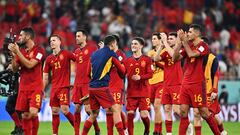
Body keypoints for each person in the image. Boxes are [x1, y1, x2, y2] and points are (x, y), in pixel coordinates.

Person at [172, 24, 221, 135]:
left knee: (204, 113)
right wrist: (179, 44)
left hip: (197, 84)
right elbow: (174, 59)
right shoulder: (188, 45)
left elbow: (192, 54)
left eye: (189, 32)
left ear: (197, 33)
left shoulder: (203, 46)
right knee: (183, 112)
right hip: (185, 84)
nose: (187, 34)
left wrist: (184, 42)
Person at [81, 35, 126, 135]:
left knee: (93, 114)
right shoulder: (111, 54)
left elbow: (88, 73)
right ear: (113, 43)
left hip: (92, 88)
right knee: (116, 110)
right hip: (102, 87)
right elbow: (122, 72)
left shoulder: (94, 54)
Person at [8, 27, 45, 135]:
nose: (19, 38)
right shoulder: (22, 51)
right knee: (25, 115)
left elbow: (30, 65)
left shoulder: (39, 50)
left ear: (28, 37)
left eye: (21, 35)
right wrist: (13, 55)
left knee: (33, 113)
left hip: (35, 88)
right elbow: (15, 69)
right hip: (23, 88)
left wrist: (17, 52)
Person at [154, 32, 192, 135]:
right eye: (168, 38)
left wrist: (165, 42)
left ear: (177, 40)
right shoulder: (165, 51)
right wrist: (161, 46)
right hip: (166, 84)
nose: (169, 40)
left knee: (176, 109)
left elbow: (173, 55)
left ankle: (188, 124)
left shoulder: (180, 51)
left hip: (177, 84)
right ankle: (169, 133)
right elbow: (156, 59)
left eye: (171, 38)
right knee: (167, 109)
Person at [192, 36, 227, 135]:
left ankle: (222, 131)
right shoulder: (195, 57)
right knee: (196, 114)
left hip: (209, 91)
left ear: (206, 45)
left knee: (211, 115)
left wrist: (214, 91)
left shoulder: (213, 59)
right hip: (197, 90)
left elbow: (216, 75)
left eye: (201, 44)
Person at [43, 34, 75, 135]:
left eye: (54, 40)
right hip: (54, 88)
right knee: (55, 111)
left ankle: (78, 130)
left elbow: (79, 61)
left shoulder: (66, 54)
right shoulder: (48, 59)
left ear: (59, 42)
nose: (51, 42)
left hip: (64, 87)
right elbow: (45, 77)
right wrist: (41, 90)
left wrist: (77, 80)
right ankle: (55, 133)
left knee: (65, 110)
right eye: (50, 41)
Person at [71, 29, 99, 135]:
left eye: (78, 36)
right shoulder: (76, 52)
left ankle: (97, 129)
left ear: (84, 37)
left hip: (88, 83)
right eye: (76, 36)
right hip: (77, 83)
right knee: (77, 109)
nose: (76, 38)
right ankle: (76, 133)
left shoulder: (92, 48)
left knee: (88, 110)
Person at [123, 37, 153, 135]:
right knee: (130, 114)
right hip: (131, 93)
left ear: (141, 46)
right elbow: (122, 74)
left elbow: (150, 74)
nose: (133, 45)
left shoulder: (147, 59)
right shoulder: (127, 61)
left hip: (144, 92)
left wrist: (140, 77)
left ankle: (147, 130)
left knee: (144, 115)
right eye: (132, 44)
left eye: (135, 44)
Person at [104, 34, 128, 135]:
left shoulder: (120, 54)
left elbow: (123, 71)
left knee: (117, 110)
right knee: (109, 111)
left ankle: (125, 130)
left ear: (115, 43)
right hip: (107, 86)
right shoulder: (106, 54)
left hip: (117, 85)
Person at [147, 32, 164, 135]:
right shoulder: (149, 53)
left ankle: (157, 131)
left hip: (161, 82)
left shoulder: (165, 52)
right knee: (154, 107)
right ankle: (158, 131)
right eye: (152, 39)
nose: (153, 40)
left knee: (157, 106)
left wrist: (156, 61)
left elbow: (167, 67)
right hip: (151, 83)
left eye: (154, 39)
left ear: (159, 40)